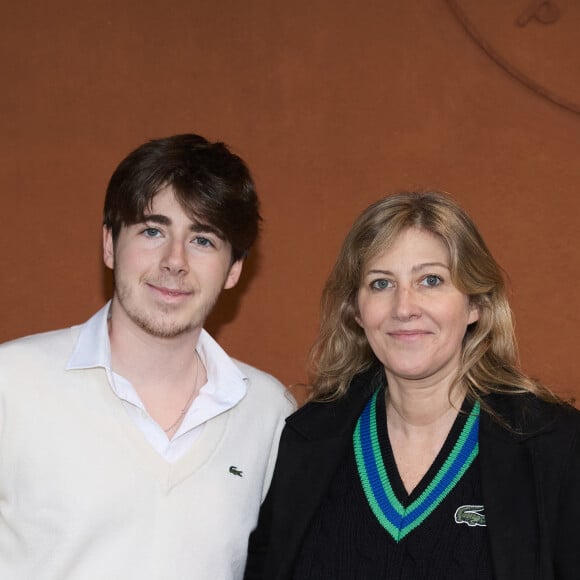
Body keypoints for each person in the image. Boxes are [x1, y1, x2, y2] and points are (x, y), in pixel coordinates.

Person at [0, 133, 295, 579]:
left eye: (203, 240)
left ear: (234, 269)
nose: (174, 261)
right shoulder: (12, 383)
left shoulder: (269, 413)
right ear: (108, 244)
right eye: (153, 230)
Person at [244, 191, 580, 580]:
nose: (404, 307)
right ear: (355, 309)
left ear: (476, 305)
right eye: (381, 283)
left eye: (430, 280)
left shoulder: (554, 447)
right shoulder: (307, 441)